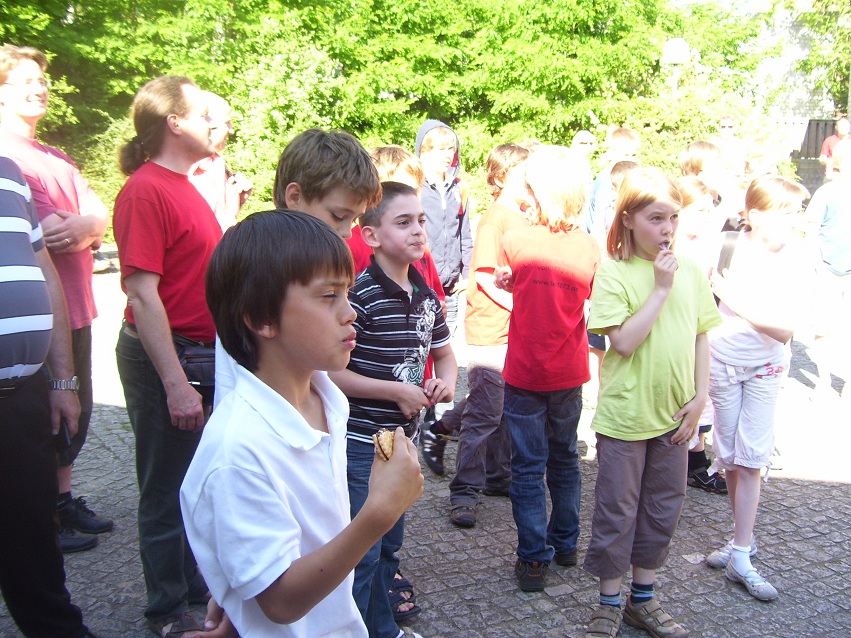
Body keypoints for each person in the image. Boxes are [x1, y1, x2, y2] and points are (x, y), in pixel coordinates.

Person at [181, 210, 424, 638]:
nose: (351, 313)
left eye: (347, 292)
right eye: (328, 296)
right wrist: (378, 513)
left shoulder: (327, 400)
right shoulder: (238, 450)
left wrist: (243, 588)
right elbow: (280, 602)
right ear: (261, 318)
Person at [583, 167, 721, 638]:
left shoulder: (692, 272)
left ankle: (642, 599)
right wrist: (660, 288)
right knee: (617, 510)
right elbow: (622, 343)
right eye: (656, 218)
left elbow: (701, 336)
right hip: (626, 415)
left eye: (673, 218)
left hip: (676, 415)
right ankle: (608, 602)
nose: (667, 229)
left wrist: (700, 397)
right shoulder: (614, 273)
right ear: (628, 219)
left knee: (663, 507)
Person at [113, 75, 223, 637]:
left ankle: (195, 587)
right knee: (164, 487)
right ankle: (166, 611)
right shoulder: (146, 191)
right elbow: (142, 294)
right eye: (203, 113)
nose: (214, 123)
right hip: (166, 358)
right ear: (174, 123)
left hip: (196, 354)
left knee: (192, 482)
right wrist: (176, 383)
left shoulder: (184, 185)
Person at [329, 182, 457, 638]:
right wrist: (395, 392)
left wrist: (445, 384)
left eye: (421, 220)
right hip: (363, 443)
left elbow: (445, 355)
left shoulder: (427, 294)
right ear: (371, 236)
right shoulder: (358, 297)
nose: (419, 230)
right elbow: (331, 374)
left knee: (389, 547)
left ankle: (382, 628)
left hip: (401, 445)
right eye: (403, 222)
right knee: (362, 550)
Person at [0, 44, 113, 553]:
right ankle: (41, 509)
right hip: (40, 316)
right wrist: (88, 225)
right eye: (24, 81)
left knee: (74, 411)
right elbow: (52, 231)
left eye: (41, 80)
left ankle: (61, 499)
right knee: (41, 418)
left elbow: (98, 214)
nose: (39, 88)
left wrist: (90, 223)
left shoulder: (56, 157)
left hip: (76, 306)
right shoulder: (8, 159)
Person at [0, 156, 100, 638]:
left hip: (23, 397)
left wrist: (63, 381)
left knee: (35, 541)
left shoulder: (9, 173)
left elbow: (43, 271)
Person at [493, 146, 600, 591]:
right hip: (568, 373)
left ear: (537, 193)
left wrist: (509, 281)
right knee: (565, 459)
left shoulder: (516, 240)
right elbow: (589, 295)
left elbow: (514, 282)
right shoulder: (590, 246)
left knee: (527, 468)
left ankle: (533, 560)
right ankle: (567, 543)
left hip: (524, 374)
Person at [213, 128, 381, 409]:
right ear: (294, 197)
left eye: (354, 220)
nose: (346, 233)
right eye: (338, 216)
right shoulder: (259, 263)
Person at [705, 175, 813, 601]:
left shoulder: (798, 255)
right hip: (721, 361)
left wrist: (735, 300)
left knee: (751, 459)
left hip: (766, 365)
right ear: (753, 214)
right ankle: (740, 543)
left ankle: (742, 552)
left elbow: (785, 329)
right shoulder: (727, 244)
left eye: (794, 212)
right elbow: (701, 300)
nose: (792, 220)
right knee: (730, 458)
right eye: (783, 212)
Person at [421, 142, 531, 531]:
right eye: (524, 173)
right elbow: (483, 277)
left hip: (514, 329)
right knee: (486, 411)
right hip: (491, 327)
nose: (531, 181)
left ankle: (497, 476)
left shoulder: (525, 217)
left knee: (502, 403)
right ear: (501, 178)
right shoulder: (496, 219)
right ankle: (464, 491)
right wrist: (525, 310)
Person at [675, 176, 729, 495]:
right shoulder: (669, 248)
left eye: (710, 210)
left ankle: (696, 461)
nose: (707, 217)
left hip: (701, 330)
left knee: (702, 396)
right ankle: (686, 465)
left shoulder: (705, 243)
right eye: (700, 210)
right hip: (678, 336)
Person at [414, 120, 472, 334]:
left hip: (450, 287)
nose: (447, 155)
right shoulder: (414, 188)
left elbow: (464, 233)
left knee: (447, 343)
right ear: (424, 151)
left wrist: (468, 275)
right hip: (420, 281)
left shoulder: (459, 187)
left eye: (450, 149)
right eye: (440, 149)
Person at [806, 139, 851, 402]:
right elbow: (811, 227)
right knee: (823, 327)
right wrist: (817, 262)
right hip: (828, 268)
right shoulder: (827, 192)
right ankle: (824, 381)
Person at [189, 92, 252, 231]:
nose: (231, 130)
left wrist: (238, 201)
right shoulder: (183, 172)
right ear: (210, 126)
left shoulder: (217, 163)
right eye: (227, 123)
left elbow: (222, 223)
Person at [585, 126, 641, 246]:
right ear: (611, 154)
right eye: (626, 155)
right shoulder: (607, 179)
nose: (631, 159)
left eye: (634, 155)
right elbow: (598, 222)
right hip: (606, 240)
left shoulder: (629, 177)